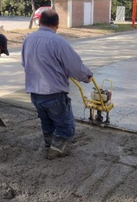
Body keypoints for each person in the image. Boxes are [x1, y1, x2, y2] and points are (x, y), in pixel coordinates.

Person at [21, 9, 93, 160]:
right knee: (65, 126)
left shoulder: (28, 39)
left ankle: (48, 144)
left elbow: (24, 63)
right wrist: (86, 76)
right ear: (58, 24)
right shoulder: (58, 42)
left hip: (35, 94)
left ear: (39, 22)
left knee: (46, 121)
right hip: (53, 94)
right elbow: (74, 66)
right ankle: (56, 149)